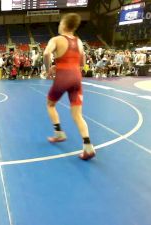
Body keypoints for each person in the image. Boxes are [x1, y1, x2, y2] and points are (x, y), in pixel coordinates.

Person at [43, 13, 95, 160]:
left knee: (50, 104)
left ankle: (59, 133)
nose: (59, 25)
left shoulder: (56, 39)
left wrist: (48, 70)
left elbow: (46, 53)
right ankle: (88, 147)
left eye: (60, 23)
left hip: (63, 78)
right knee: (77, 114)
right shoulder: (78, 41)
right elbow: (82, 61)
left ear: (64, 24)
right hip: (76, 77)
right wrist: (63, 65)